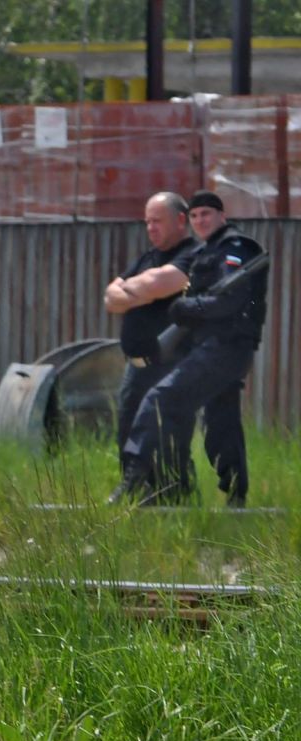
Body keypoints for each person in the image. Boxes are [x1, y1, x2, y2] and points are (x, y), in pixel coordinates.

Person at [114, 190, 263, 507]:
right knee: (222, 423)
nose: (200, 221)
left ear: (221, 216)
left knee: (160, 397)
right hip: (211, 347)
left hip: (225, 347)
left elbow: (230, 300)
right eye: (195, 216)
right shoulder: (207, 252)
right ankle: (236, 496)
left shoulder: (235, 247)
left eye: (206, 214)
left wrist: (188, 307)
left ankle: (133, 478)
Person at [102, 192, 198, 466]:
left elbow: (157, 285)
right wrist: (142, 290)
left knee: (167, 444)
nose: (150, 228)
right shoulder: (149, 256)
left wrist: (135, 288)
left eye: (157, 221)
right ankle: (135, 500)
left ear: (180, 220)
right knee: (128, 440)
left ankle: (174, 502)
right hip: (136, 368)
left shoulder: (192, 255)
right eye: (147, 222)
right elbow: (110, 297)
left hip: (168, 367)